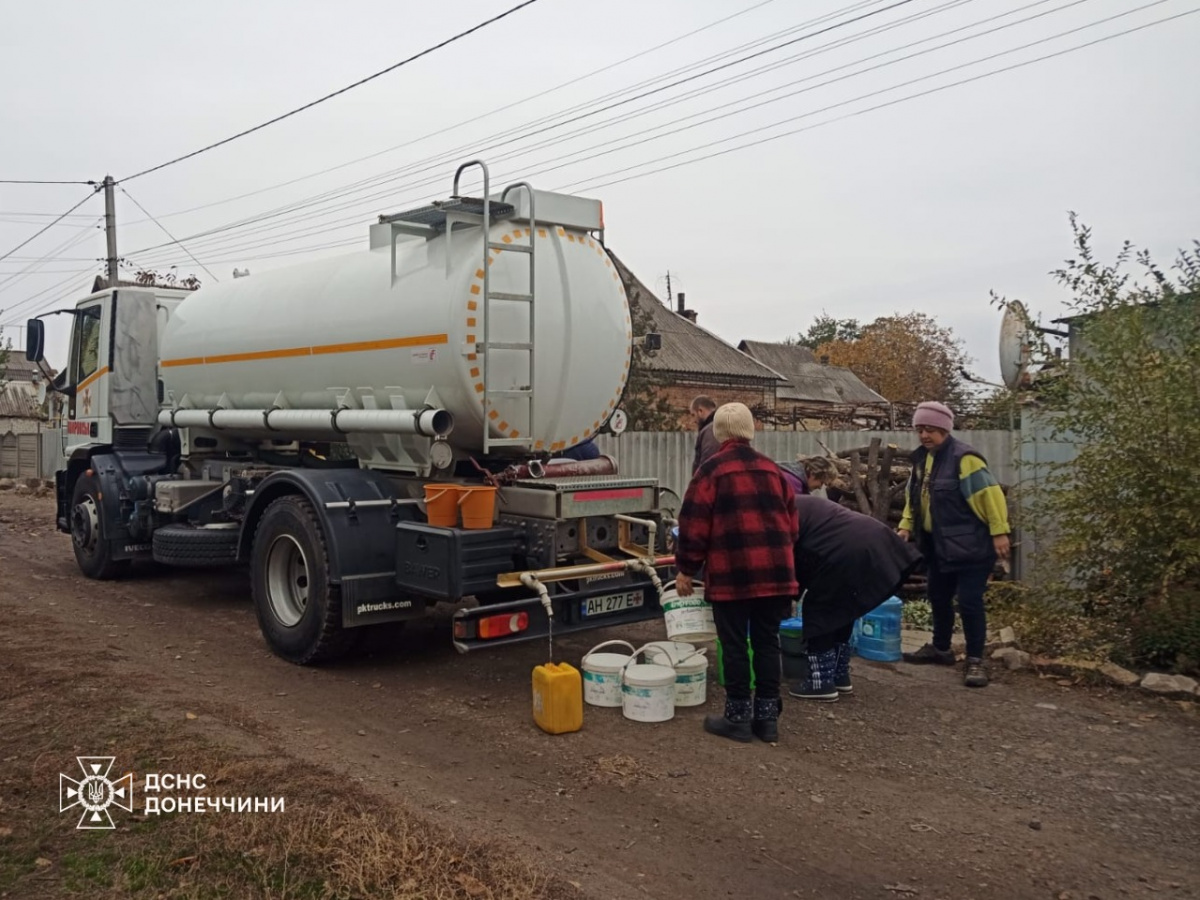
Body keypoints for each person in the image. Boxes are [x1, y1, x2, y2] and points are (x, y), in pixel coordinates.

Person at [675, 402, 799, 743]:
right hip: (776, 574)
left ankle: (738, 719)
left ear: (717, 433)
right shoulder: (774, 471)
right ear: (750, 430)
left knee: (733, 644)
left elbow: (692, 525)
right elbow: (792, 527)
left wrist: (686, 569)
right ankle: (768, 721)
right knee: (766, 643)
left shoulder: (710, 472)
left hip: (732, 576)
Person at [898, 401, 1011, 688]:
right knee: (937, 596)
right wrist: (906, 524)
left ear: (945, 429)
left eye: (931, 430)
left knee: (970, 601)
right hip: (938, 545)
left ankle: (975, 661)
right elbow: (915, 496)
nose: (924, 435)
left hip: (971, 545)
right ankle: (941, 648)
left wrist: (999, 532)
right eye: (920, 429)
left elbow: (991, 496)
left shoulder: (965, 459)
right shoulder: (922, 459)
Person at [788, 495, 922, 701]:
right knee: (842, 608)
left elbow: (791, 559)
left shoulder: (781, 511)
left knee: (821, 609)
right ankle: (839, 676)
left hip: (848, 549)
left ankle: (820, 683)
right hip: (876, 541)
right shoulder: (798, 502)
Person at [690, 395, 720, 474]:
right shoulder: (718, 426)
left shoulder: (711, 430)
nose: (693, 421)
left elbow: (707, 466)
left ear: (700, 411)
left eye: (693, 415)